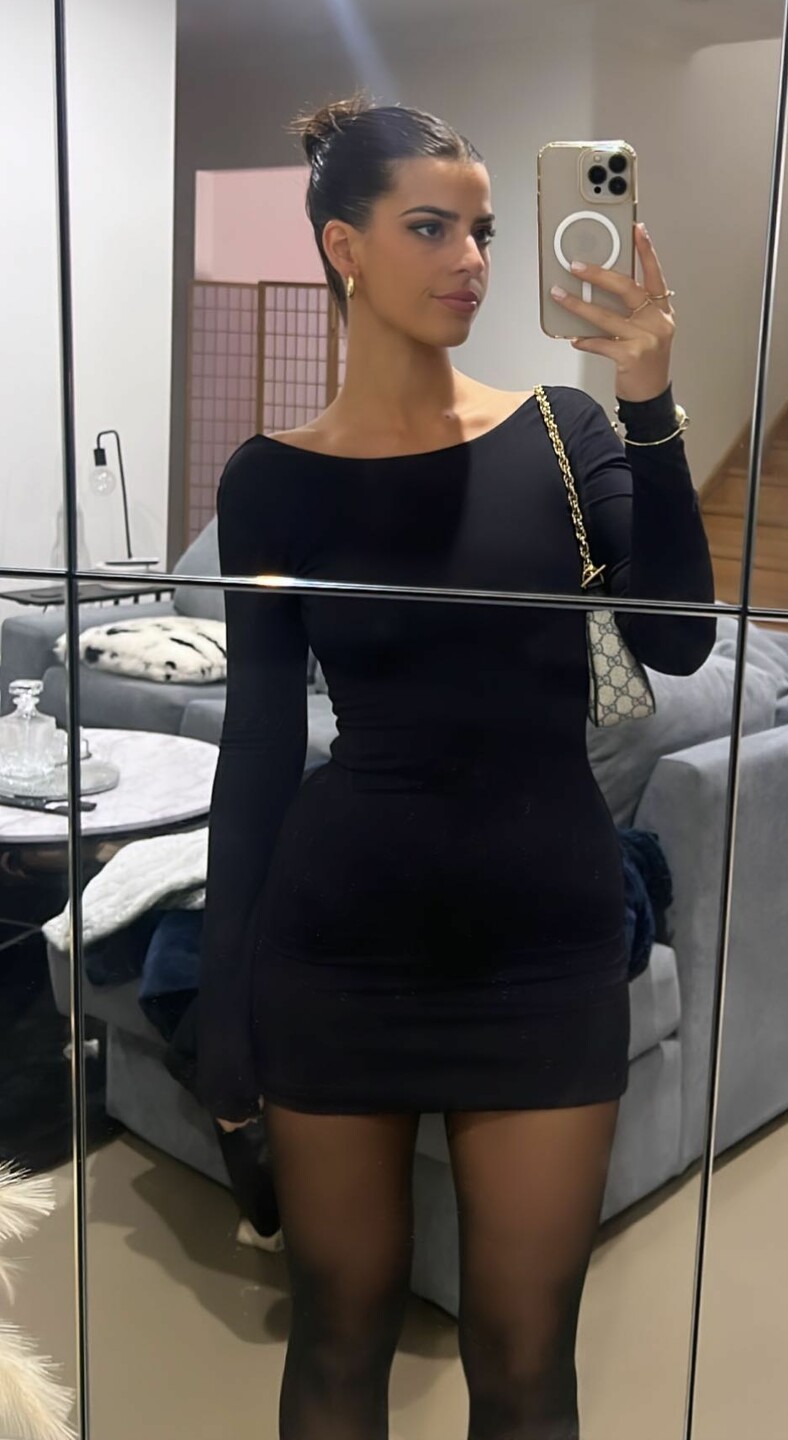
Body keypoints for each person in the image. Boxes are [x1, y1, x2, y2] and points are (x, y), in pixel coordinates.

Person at [195, 91, 715, 1439]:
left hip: (543, 941)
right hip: (338, 944)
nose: (473, 259)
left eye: (482, 230)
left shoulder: (565, 432)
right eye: (431, 227)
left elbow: (677, 640)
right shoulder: (269, 479)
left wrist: (649, 400)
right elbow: (258, 748)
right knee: (336, 1343)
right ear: (343, 246)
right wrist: (229, 1003)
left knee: (528, 1364)